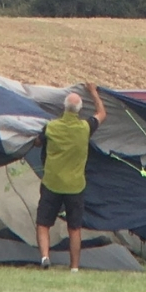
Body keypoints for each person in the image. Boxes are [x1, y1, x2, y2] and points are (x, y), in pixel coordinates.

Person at [34, 83, 107, 272]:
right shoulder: (85, 127)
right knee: (74, 228)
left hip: (52, 183)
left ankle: (44, 257)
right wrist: (93, 93)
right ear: (79, 110)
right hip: (75, 186)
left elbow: (36, 142)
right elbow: (102, 113)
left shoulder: (51, 127)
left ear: (64, 107)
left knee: (43, 224)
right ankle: (74, 267)